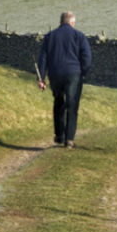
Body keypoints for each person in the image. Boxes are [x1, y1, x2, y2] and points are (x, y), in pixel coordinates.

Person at [35, 11, 92, 149]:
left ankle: (59, 135)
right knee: (72, 105)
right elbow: (87, 57)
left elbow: (43, 58)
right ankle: (69, 139)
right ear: (72, 22)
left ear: (60, 22)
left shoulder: (50, 36)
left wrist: (41, 78)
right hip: (74, 73)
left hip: (55, 74)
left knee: (58, 102)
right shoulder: (79, 36)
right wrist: (83, 72)